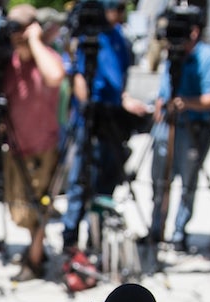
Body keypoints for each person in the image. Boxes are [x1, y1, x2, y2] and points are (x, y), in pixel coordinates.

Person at [0, 4, 65, 282]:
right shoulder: (10, 62)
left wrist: (35, 39)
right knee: (19, 211)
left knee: (39, 207)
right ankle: (36, 248)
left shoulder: (46, 57)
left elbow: (55, 76)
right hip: (16, 148)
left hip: (43, 147)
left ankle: (35, 260)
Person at [61, 0, 132, 254]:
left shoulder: (119, 38)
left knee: (107, 179)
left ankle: (98, 234)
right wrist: (87, 103)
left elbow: (122, 76)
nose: (119, 13)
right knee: (79, 179)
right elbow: (77, 73)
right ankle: (70, 236)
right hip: (86, 118)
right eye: (116, 8)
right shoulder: (85, 36)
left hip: (111, 116)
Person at [149, 10, 210, 250]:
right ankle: (155, 228)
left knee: (188, 183)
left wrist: (186, 103)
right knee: (159, 180)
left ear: (195, 31)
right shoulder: (172, 54)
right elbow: (163, 88)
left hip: (193, 128)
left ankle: (180, 233)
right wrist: (161, 101)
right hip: (167, 125)